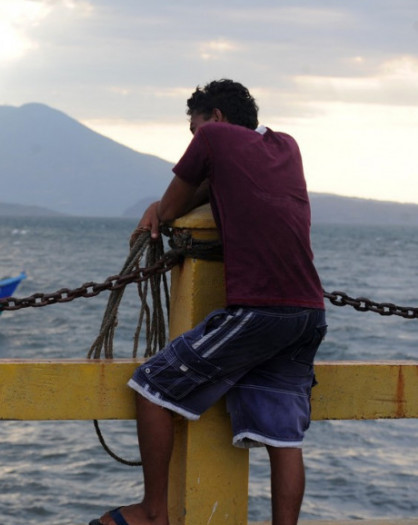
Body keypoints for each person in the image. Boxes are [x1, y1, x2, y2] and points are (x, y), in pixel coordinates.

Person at [91, 79, 326, 525]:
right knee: (283, 438)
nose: (195, 141)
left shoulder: (214, 138)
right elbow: (217, 185)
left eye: (194, 130)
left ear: (214, 119)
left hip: (262, 310)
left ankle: (153, 511)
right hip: (308, 312)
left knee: (151, 387)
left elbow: (175, 202)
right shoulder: (286, 146)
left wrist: (159, 208)